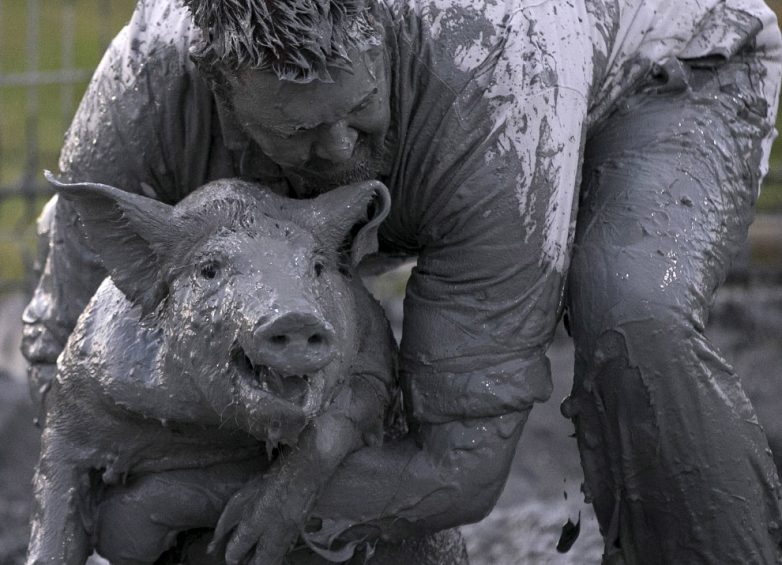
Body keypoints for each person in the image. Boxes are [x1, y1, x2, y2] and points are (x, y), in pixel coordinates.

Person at [21, 0, 782, 562]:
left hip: (675, 69)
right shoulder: (147, 85)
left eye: (359, 111)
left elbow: (461, 462)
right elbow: (62, 361)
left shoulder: (493, 75)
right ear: (218, 94)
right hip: (484, 113)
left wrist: (173, 501)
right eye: (300, 131)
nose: (347, 148)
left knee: (627, 302)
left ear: (383, 31)